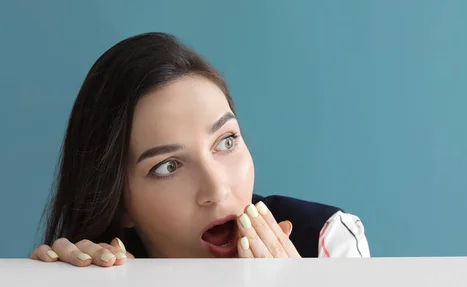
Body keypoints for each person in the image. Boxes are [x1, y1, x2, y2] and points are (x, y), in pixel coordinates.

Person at [30, 32, 370, 267]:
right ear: (120, 205)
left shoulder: (329, 239)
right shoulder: (104, 275)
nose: (216, 188)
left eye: (226, 141)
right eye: (168, 166)